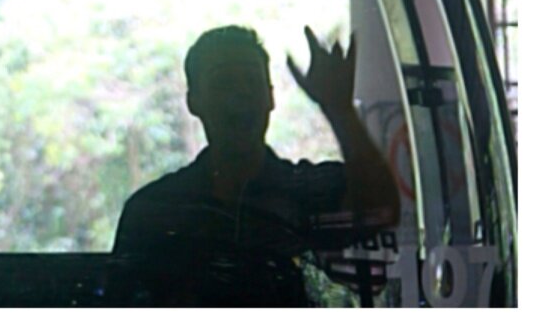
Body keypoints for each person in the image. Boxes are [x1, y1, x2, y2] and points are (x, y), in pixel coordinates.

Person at [112, 26, 399, 305]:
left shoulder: (307, 189)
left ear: (270, 96)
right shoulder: (153, 211)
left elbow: (382, 209)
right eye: (224, 82)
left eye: (251, 80)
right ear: (194, 101)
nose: (241, 94)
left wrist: (340, 110)